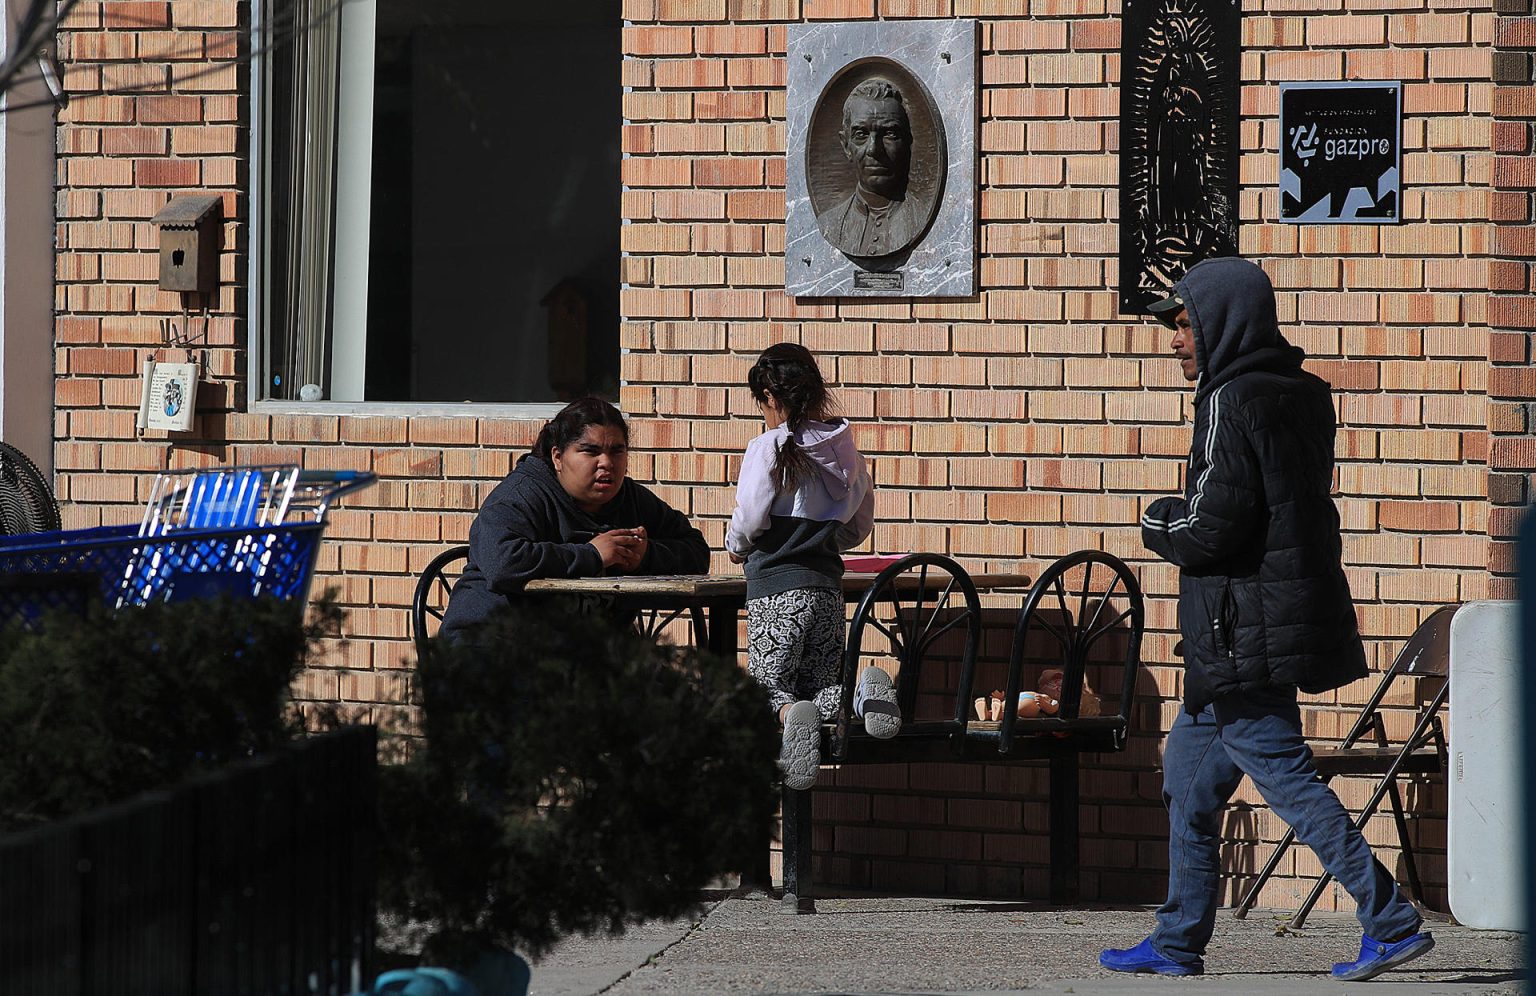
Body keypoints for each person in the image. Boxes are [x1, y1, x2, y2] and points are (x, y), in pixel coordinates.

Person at [1099, 257, 1434, 982]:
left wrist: (1157, 523)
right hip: (1270, 618)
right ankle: (1178, 937)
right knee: (1187, 778)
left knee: (1285, 779)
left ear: (1223, 321)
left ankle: (1389, 920)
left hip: (1237, 630)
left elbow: (1212, 525)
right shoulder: (1303, 394)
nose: (1176, 340)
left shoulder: (1228, 400)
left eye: (1184, 324)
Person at [725, 343, 892, 790]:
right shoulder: (847, 455)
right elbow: (856, 528)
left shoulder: (767, 447)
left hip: (776, 591)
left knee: (764, 690)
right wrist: (822, 538)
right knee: (820, 684)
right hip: (826, 591)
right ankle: (859, 696)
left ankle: (788, 715)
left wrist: (735, 545)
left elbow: (751, 516)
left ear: (769, 396)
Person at [439, 397, 710, 642]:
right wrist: (592, 555)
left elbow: (696, 551)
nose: (606, 463)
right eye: (590, 451)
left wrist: (646, 556)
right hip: (491, 648)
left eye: (617, 451)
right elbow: (502, 562)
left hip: (581, 661)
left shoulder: (632, 500)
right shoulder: (520, 495)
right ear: (558, 457)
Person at [815, 77, 933, 259]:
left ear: (907, 144)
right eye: (861, 134)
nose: (873, 150)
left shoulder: (921, 217)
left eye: (889, 134)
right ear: (846, 146)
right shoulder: (831, 223)